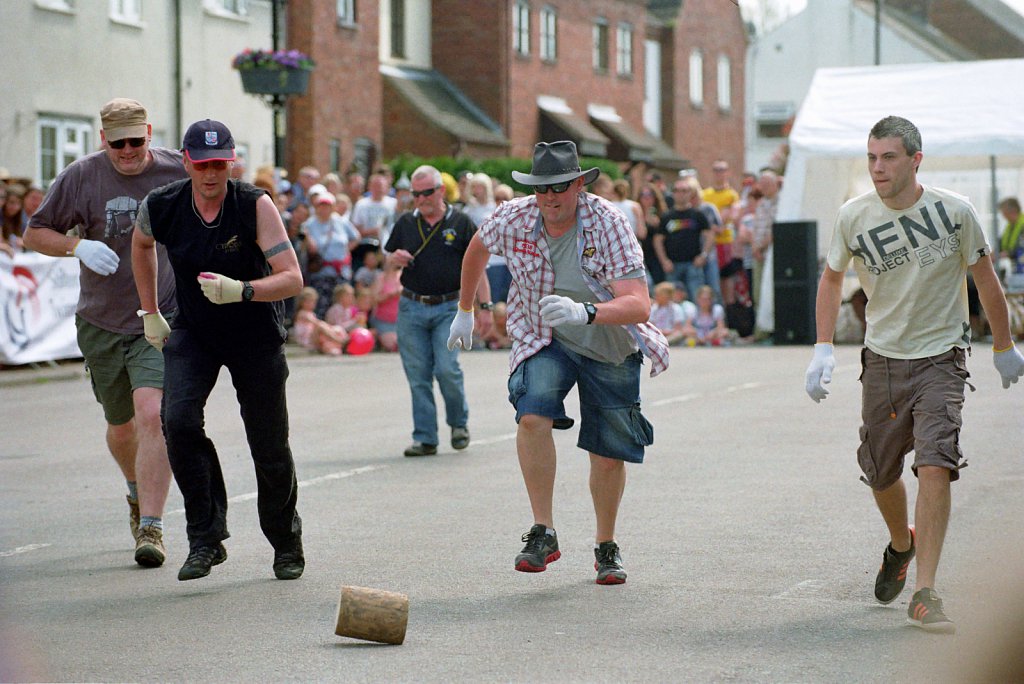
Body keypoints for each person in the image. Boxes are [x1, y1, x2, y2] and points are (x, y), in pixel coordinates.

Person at [804, 115, 1024, 633]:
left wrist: (1004, 344)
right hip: (882, 358)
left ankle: (925, 592)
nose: (878, 168)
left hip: (942, 357)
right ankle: (901, 545)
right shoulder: (853, 216)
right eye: (872, 158)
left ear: (915, 160)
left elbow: (984, 277)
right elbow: (832, 277)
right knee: (880, 470)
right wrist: (821, 347)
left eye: (889, 157)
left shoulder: (954, 211)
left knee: (935, 462)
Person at [447, 141, 669, 585]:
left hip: (608, 340)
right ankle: (543, 530)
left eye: (560, 187)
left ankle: (606, 545)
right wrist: (467, 308)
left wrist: (586, 311)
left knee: (607, 454)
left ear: (579, 185)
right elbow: (476, 247)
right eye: (542, 188)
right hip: (544, 335)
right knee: (532, 413)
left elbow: (639, 304)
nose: (550, 198)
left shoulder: (607, 223)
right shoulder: (515, 216)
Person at [131, 119, 305, 582]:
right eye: (202, 164)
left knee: (268, 445)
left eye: (220, 164)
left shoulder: (253, 204)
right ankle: (205, 539)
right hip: (195, 331)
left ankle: (285, 542)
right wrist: (150, 309)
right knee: (178, 421)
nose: (211, 174)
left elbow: (292, 277)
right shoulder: (162, 205)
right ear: (186, 161)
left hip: (254, 333)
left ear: (231, 163)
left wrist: (243, 290)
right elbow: (141, 244)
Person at [23, 98, 183, 568]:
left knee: (154, 414)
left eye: (137, 140)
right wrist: (77, 245)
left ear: (149, 133)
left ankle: (151, 526)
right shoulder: (81, 176)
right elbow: (35, 232)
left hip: (158, 314)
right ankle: (135, 491)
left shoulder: (175, 169)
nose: (129, 151)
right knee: (122, 426)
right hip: (101, 320)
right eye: (119, 143)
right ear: (103, 140)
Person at [384, 165, 492, 457]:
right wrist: (394, 259)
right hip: (411, 306)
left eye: (427, 192)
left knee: (447, 368)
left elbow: (478, 267)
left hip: (449, 306)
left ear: (441, 191)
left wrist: (484, 307)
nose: (421, 199)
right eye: (416, 194)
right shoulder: (405, 223)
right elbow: (388, 263)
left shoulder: (461, 222)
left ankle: (458, 424)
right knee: (417, 374)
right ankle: (425, 437)